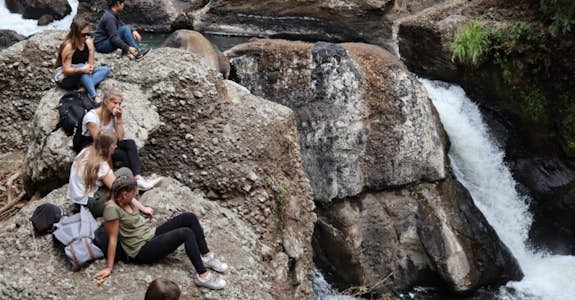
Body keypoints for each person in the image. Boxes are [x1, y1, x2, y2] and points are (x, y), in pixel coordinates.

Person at [94, 176, 229, 290]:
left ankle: (206, 256)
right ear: (124, 194)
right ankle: (203, 277)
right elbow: (113, 238)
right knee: (186, 233)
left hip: (150, 234)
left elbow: (134, 201)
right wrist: (109, 268)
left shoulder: (125, 198)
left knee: (189, 217)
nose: (136, 195)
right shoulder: (112, 209)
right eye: (134, 192)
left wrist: (145, 209)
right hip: (141, 250)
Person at [76, 87, 158, 191]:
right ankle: (131, 182)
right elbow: (98, 142)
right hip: (93, 146)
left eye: (119, 104)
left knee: (130, 144)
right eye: (115, 103)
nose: (117, 106)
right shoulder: (91, 117)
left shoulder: (112, 116)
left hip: (108, 142)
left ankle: (137, 178)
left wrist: (118, 119)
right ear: (106, 101)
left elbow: (120, 138)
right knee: (123, 154)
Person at [67, 130, 153, 218]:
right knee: (122, 189)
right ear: (108, 147)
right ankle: (132, 209)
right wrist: (143, 209)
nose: (116, 146)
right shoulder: (100, 164)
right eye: (114, 144)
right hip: (90, 204)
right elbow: (119, 190)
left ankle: (132, 197)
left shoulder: (86, 151)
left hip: (77, 198)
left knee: (125, 171)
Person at [55, 17, 109, 104]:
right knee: (82, 67)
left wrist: (91, 51)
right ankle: (94, 96)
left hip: (79, 73)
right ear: (75, 34)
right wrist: (82, 69)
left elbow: (91, 65)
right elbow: (66, 71)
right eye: (83, 35)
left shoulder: (87, 42)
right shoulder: (69, 46)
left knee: (105, 69)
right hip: (65, 78)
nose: (86, 37)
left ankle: (84, 88)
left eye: (88, 34)